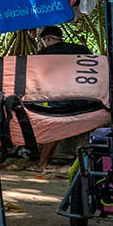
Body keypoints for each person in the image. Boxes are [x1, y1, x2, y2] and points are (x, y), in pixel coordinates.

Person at [34, 25, 92, 171]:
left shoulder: (43, 54)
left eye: (43, 41)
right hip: (88, 98)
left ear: (47, 39)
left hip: (62, 97)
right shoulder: (82, 50)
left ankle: (42, 164)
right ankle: (85, 165)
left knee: (54, 124)